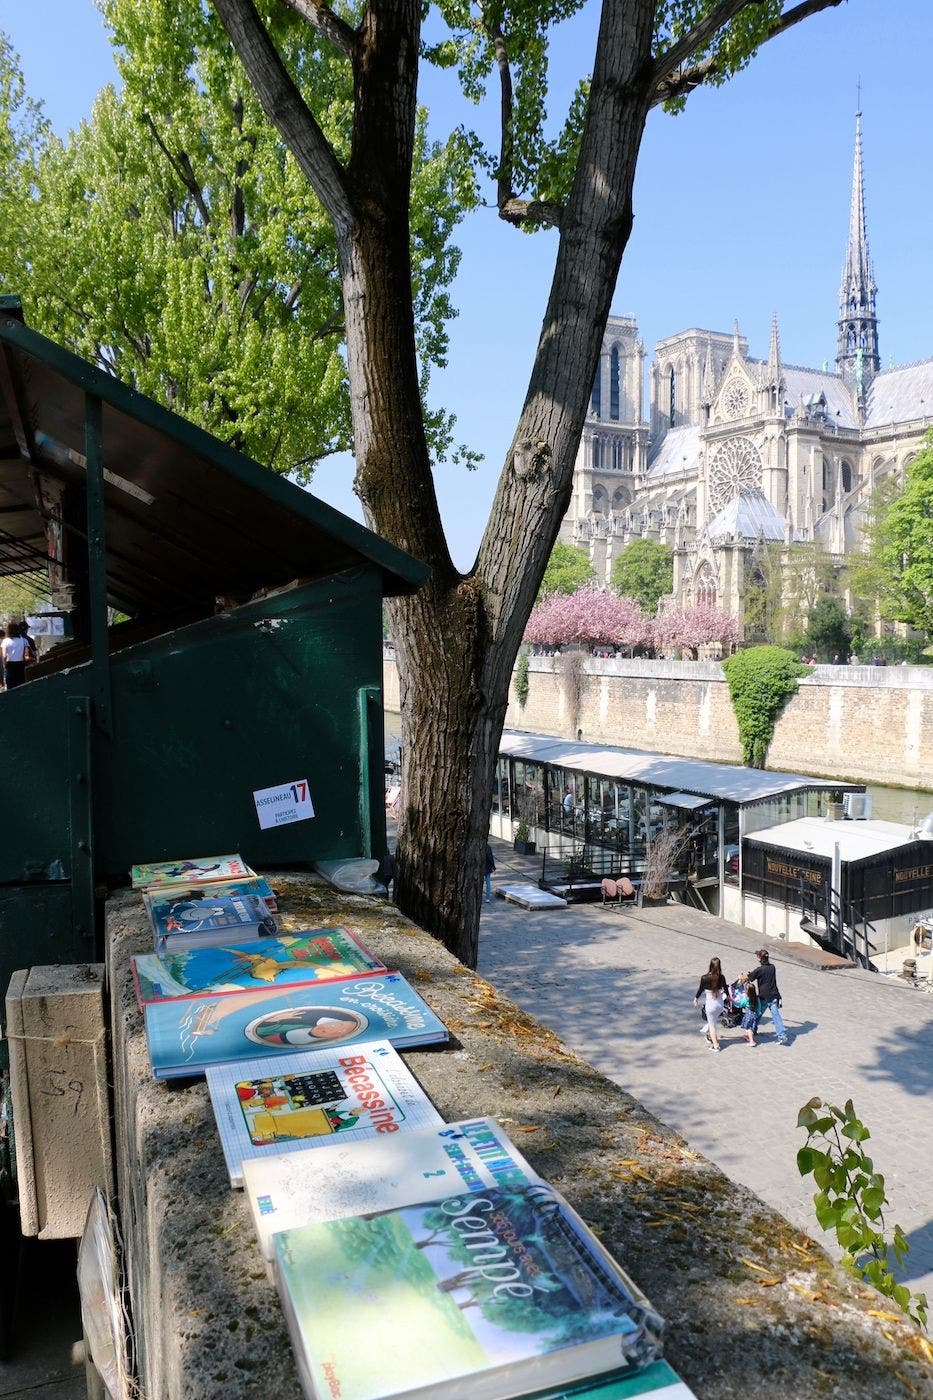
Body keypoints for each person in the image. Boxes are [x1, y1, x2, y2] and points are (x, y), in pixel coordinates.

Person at [745, 947, 788, 1044]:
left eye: (758, 956)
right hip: (774, 995)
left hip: (763, 996)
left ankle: (752, 1030)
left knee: (756, 1013)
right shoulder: (772, 967)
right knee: (776, 1016)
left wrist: (742, 976)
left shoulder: (759, 970)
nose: (757, 958)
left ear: (760, 958)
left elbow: (749, 978)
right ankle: (782, 1036)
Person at [693, 955, 729, 1053]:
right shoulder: (722, 977)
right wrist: (729, 998)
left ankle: (715, 1045)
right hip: (720, 1005)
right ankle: (710, 1036)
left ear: (710, 966)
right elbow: (726, 989)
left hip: (710, 1006)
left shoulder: (705, 978)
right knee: (712, 1021)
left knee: (712, 1025)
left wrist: (696, 998)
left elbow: (700, 989)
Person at [1, 621, 28, 690]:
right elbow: (26, 654)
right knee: (21, 687)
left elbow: (4, 656)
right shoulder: (24, 640)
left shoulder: (5, 641)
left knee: (11, 688)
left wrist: (4, 665)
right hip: (21, 665)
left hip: (10, 666)